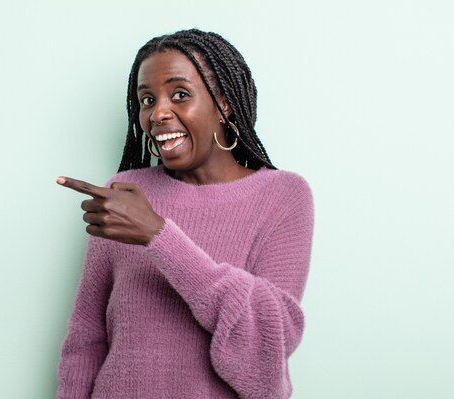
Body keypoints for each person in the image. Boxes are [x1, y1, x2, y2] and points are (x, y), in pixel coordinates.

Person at [54, 29, 314, 399]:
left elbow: (269, 341)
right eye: (146, 99)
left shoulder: (283, 196)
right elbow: (86, 337)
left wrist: (159, 236)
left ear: (224, 105)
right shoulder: (124, 192)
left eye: (180, 94)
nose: (158, 113)